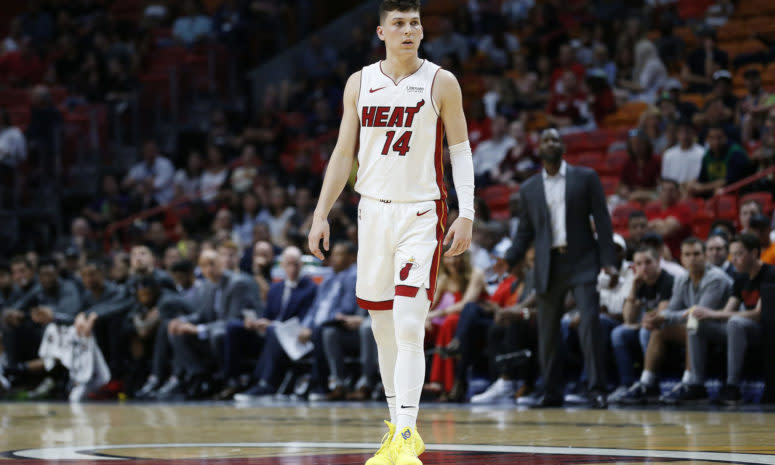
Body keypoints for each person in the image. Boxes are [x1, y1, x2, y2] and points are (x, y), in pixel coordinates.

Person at [307, 1, 475, 463]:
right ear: (381, 32)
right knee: (382, 330)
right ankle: (397, 426)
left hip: (422, 213)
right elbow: (343, 154)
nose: (408, 30)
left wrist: (468, 213)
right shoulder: (359, 83)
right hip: (372, 214)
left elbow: (460, 151)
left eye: (414, 23)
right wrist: (321, 212)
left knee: (407, 325)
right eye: (398, 24)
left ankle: (405, 436)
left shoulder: (442, 82)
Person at [505, 128, 617, 408]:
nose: (551, 143)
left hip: (582, 261)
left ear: (563, 147)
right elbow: (524, 232)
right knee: (548, 332)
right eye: (546, 140)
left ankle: (597, 389)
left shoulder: (586, 178)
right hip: (548, 264)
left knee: (589, 323)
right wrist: (507, 259)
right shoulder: (529, 188)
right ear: (539, 148)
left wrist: (609, 262)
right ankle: (552, 392)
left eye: (556, 139)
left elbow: (603, 222)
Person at [684, 233, 771, 405]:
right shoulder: (740, 278)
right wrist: (704, 313)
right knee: (696, 324)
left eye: (739, 254)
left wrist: (712, 313)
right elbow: (726, 311)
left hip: (764, 330)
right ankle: (697, 384)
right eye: (732, 255)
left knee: (735, 322)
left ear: (754, 253)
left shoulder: (770, 273)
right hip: (739, 329)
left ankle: (732, 386)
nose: (734, 260)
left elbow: (758, 314)